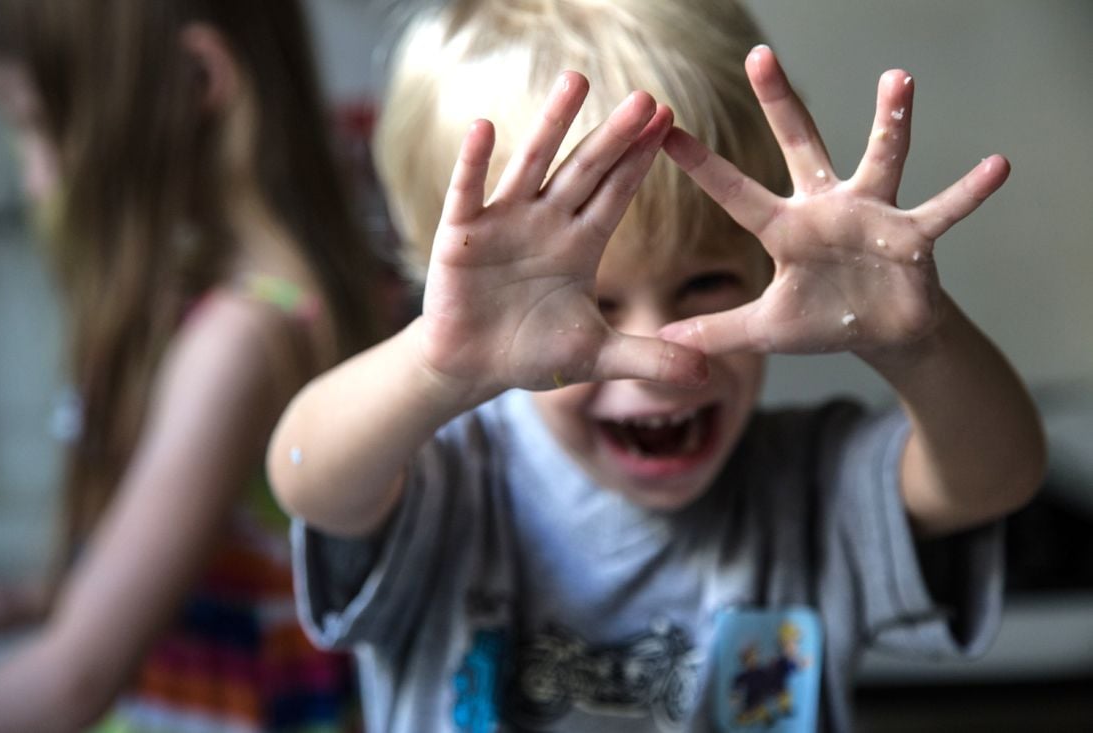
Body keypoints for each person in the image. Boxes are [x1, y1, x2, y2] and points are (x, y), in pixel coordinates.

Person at [267, 0, 1046, 730]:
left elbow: (997, 476)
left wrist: (917, 338)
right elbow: (306, 474)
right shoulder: (450, 473)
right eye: (591, 306)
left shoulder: (808, 486)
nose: (659, 355)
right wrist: (435, 367)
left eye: (705, 281)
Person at [0, 0, 375, 729]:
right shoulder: (238, 305)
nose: (38, 179)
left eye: (41, 127)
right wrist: (44, 597)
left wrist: (64, 627)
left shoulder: (238, 339)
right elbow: (217, 569)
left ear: (197, 79)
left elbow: (72, 679)